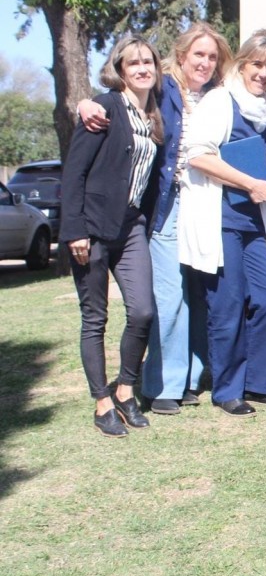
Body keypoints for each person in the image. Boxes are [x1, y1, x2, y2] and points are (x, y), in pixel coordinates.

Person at [78, 22, 233, 415]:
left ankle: (191, 378)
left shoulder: (218, 96)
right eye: (198, 54)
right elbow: (119, 98)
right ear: (181, 55)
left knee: (199, 294)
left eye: (212, 56)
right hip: (167, 202)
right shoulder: (163, 88)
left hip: (207, 202)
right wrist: (86, 103)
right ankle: (162, 383)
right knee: (169, 294)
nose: (205, 62)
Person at [179, 34, 266, 417]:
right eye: (257, 64)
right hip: (221, 220)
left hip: (254, 222)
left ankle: (257, 384)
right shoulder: (219, 100)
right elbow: (198, 156)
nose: (263, 73)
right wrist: (249, 183)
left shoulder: (264, 110)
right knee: (226, 306)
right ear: (241, 64)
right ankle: (227, 389)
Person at [61, 34, 163, 437]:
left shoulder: (152, 115)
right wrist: (75, 230)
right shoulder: (104, 107)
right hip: (93, 227)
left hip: (132, 224)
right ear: (120, 69)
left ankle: (125, 389)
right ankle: (102, 401)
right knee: (95, 317)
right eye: (133, 63)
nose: (142, 69)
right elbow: (74, 172)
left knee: (142, 311)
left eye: (148, 63)